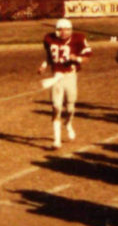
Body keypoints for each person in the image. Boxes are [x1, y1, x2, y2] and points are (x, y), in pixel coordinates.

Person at [38, 18, 92, 149]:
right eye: (61, 30)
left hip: (70, 76)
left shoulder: (78, 39)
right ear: (57, 30)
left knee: (70, 107)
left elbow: (87, 57)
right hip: (56, 77)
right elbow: (50, 56)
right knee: (56, 107)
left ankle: (68, 123)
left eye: (66, 30)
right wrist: (44, 65)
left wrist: (77, 58)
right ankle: (56, 140)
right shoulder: (49, 39)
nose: (64, 32)